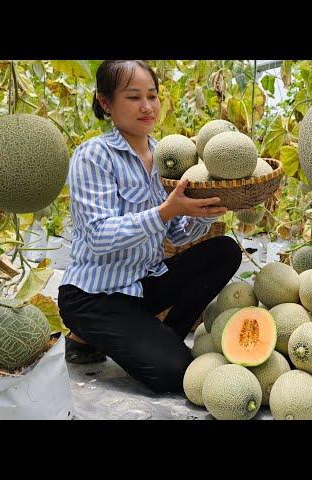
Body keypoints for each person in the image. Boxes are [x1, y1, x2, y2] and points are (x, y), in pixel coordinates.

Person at [57, 60, 241, 393]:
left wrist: (206, 211)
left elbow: (177, 233)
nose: (147, 106)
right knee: (174, 374)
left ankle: (160, 338)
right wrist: (164, 211)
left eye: (152, 96)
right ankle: (91, 335)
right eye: (133, 97)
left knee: (225, 251)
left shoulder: (166, 156)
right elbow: (99, 236)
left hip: (142, 286)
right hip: (94, 296)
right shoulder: (93, 156)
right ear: (105, 102)